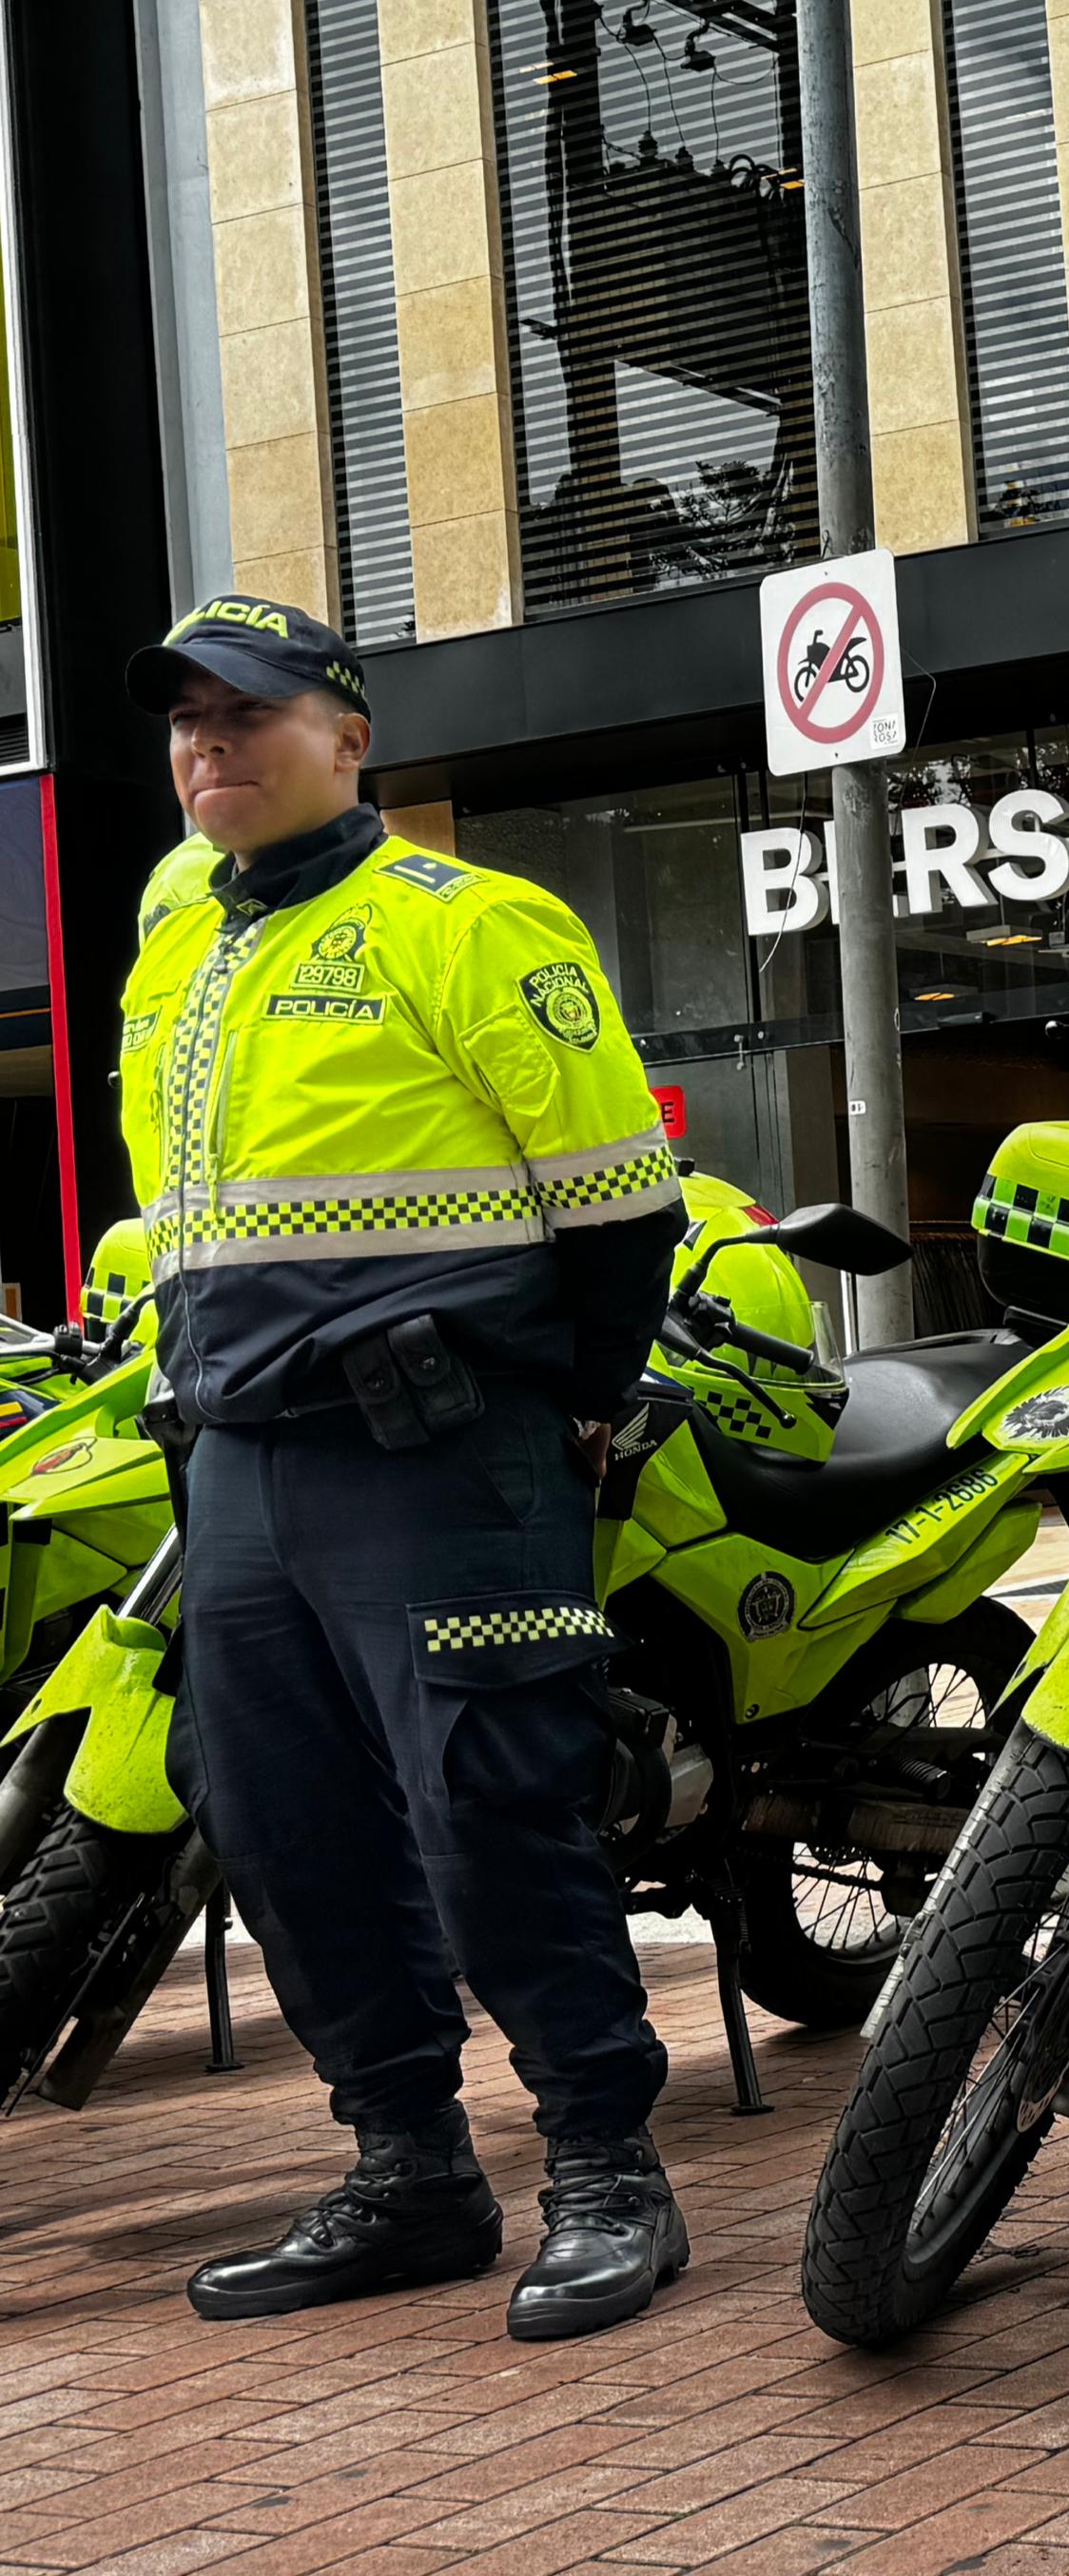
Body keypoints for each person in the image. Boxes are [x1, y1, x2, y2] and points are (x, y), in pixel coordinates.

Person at [117, 596, 691, 2340]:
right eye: (187, 721)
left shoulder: (469, 922)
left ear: (348, 737)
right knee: (279, 1826)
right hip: (236, 1456)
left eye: (250, 713)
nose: (209, 744)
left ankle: (606, 2168)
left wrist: (580, 1401)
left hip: (437, 1447)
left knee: (491, 1809)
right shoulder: (179, 948)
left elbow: (618, 1201)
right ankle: (409, 2167)